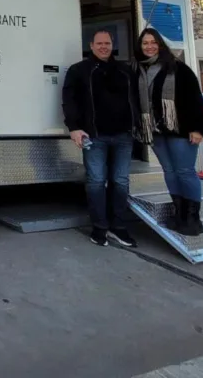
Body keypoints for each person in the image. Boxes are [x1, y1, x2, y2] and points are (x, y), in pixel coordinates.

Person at [62, 29, 140, 248]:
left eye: (107, 43)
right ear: (92, 45)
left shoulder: (125, 70)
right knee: (96, 182)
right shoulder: (79, 70)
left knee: (121, 182)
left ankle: (119, 228)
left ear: (111, 44)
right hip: (94, 136)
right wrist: (74, 128)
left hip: (124, 135)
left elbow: (135, 99)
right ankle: (99, 228)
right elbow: (69, 100)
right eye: (99, 43)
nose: (103, 46)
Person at [132, 27, 203, 236]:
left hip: (181, 131)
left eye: (153, 42)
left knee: (185, 172)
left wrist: (197, 129)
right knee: (170, 172)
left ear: (160, 44)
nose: (149, 46)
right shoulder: (139, 71)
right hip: (157, 131)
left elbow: (195, 100)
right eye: (145, 43)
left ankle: (193, 219)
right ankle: (179, 214)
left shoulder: (177, 68)